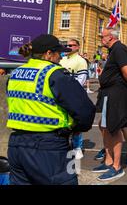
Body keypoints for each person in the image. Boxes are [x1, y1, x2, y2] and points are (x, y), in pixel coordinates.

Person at [6, 34, 95, 185]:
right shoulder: (54, 74)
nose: (61, 58)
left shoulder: (15, 73)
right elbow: (84, 111)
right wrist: (76, 128)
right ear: (48, 54)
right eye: (58, 53)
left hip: (16, 145)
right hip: (49, 147)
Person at [93, 27, 127, 182]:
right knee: (104, 125)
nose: (101, 38)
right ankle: (108, 161)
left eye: (103, 36)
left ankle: (116, 166)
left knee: (114, 128)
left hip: (117, 94)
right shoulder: (114, 50)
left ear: (111, 37)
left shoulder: (119, 49)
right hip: (110, 93)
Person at [60, 39, 89, 160]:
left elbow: (81, 79)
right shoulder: (62, 60)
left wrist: (70, 91)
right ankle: (64, 145)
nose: (68, 47)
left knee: (76, 123)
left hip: (74, 95)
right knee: (63, 121)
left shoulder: (81, 61)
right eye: (67, 45)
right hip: (60, 95)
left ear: (77, 47)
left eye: (71, 45)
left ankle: (78, 147)